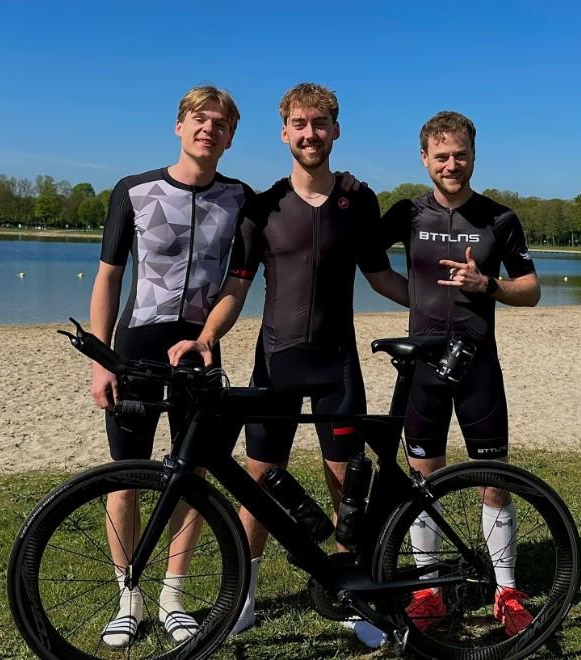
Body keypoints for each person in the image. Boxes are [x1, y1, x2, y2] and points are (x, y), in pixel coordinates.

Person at [168, 82, 409, 636]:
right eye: (300, 124)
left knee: (347, 485)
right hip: (276, 363)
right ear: (284, 133)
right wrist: (207, 336)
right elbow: (236, 286)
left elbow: (381, 277)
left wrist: (439, 306)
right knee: (258, 480)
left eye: (320, 123)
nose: (310, 133)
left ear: (336, 130)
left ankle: (352, 598)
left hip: (336, 367)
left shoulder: (359, 200)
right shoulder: (263, 206)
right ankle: (245, 597)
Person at [352, 111, 541, 648]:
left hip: (479, 367)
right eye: (441, 156)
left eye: (460, 155)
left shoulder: (499, 218)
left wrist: (489, 286)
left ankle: (507, 591)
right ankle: (429, 590)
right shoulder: (408, 212)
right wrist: (414, 298)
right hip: (424, 369)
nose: (451, 164)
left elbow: (531, 289)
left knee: (493, 482)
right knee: (422, 481)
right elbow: (368, 261)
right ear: (424, 159)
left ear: (473, 155)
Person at [89, 84, 256, 648]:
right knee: (127, 473)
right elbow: (109, 276)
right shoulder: (133, 190)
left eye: (220, 123)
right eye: (199, 119)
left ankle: (173, 595)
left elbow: (237, 285)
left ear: (230, 138)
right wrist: (102, 359)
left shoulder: (240, 198)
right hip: (136, 349)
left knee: (195, 473)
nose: (209, 129)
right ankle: (128, 596)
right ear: (179, 126)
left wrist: (209, 336)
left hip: (199, 352)